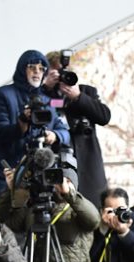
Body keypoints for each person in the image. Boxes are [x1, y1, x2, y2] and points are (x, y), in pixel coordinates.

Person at [0, 50, 70, 197]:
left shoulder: (46, 100)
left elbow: (64, 132)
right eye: (32, 67)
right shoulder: (1, 94)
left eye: (41, 69)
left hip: (40, 179)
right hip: (8, 175)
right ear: (22, 69)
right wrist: (22, 122)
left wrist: (54, 135)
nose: (37, 72)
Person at [44, 50, 112, 203]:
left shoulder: (86, 92)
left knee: (91, 213)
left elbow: (104, 117)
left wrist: (78, 97)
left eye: (65, 72)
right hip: (56, 165)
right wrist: (46, 88)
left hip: (87, 167)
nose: (62, 77)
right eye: (57, 73)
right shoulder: (44, 94)